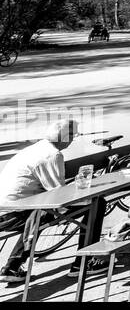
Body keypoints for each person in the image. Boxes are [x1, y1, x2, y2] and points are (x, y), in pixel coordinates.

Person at [0, 120, 79, 285]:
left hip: (6, 208)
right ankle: (86, 263)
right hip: (13, 213)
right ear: (65, 138)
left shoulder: (36, 148)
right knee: (95, 204)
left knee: (38, 214)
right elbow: (59, 194)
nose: (73, 141)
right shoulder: (52, 154)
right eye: (72, 136)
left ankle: (12, 267)